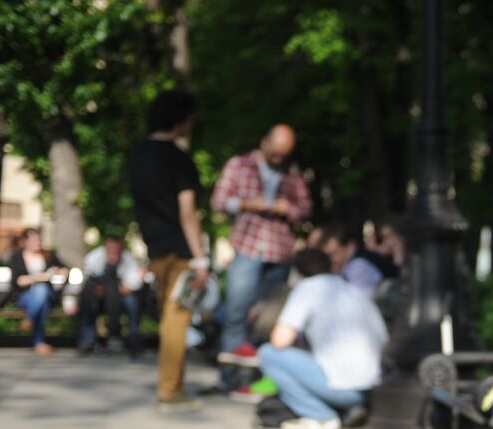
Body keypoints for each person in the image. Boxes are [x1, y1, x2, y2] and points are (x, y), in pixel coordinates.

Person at [209, 124, 312, 384]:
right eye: (276, 153)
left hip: (279, 251)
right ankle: (231, 377)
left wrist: (288, 208)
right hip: (248, 247)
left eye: (284, 155)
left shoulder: (292, 172)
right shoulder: (240, 165)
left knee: (269, 319)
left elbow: (305, 208)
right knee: (236, 313)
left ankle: (259, 378)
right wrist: (245, 203)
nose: (279, 160)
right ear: (264, 143)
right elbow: (219, 201)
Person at [129, 88, 210, 412]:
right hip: (180, 250)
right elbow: (187, 213)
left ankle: (173, 386)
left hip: (155, 247)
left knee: (168, 316)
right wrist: (201, 258)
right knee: (177, 320)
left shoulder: (137, 154)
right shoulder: (179, 159)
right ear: (181, 119)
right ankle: (170, 391)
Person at [256, 248, 388, 429]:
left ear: (299, 273)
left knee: (268, 354)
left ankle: (320, 416)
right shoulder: (352, 289)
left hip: (344, 389)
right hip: (372, 387)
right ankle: (344, 409)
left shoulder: (308, 288)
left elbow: (280, 340)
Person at [77, 234, 145, 357]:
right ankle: (87, 341)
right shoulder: (94, 258)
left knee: (132, 302)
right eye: (110, 248)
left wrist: (112, 288)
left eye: (116, 249)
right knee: (87, 300)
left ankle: (133, 340)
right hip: (99, 297)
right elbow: (87, 279)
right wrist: (98, 289)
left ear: (121, 249)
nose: (113, 252)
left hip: (121, 296)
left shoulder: (129, 260)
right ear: (105, 248)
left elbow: (133, 285)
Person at [6, 229, 69, 357]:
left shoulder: (48, 255)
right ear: (25, 242)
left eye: (39, 240)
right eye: (34, 240)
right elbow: (17, 281)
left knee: (42, 291)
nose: (38, 243)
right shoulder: (17, 257)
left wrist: (60, 272)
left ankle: (29, 319)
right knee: (41, 300)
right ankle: (39, 343)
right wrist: (39, 277)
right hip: (25, 296)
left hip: (48, 294)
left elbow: (65, 269)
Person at [314, 223, 385, 298]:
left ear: (350, 246)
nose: (330, 260)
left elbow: (358, 302)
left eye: (333, 254)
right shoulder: (354, 264)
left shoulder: (359, 266)